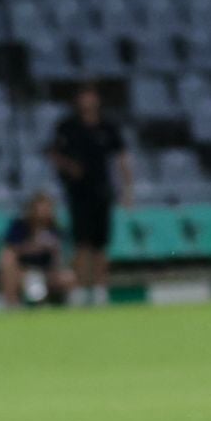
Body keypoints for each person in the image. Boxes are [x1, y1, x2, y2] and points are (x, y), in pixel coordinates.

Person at [48, 84, 130, 305]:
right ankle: (81, 289)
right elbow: (53, 152)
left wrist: (127, 189)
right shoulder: (68, 126)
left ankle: (100, 289)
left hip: (102, 192)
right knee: (82, 244)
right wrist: (69, 167)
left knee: (101, 245)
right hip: (78, 193)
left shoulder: (107, 126)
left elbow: (121, 157)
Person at [0, 192, 72, 307]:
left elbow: (60, 258)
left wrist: (53, 251)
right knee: (7, 259)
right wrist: (33, 247)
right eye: (41, 208)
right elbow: (11, 250)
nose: (44, 212)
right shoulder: (20, 226)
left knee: (67, 277)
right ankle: (12, 304)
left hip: (47, 271)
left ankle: (60, 304)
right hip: (24, 270)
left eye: (47, 208)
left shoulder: (55, 227)